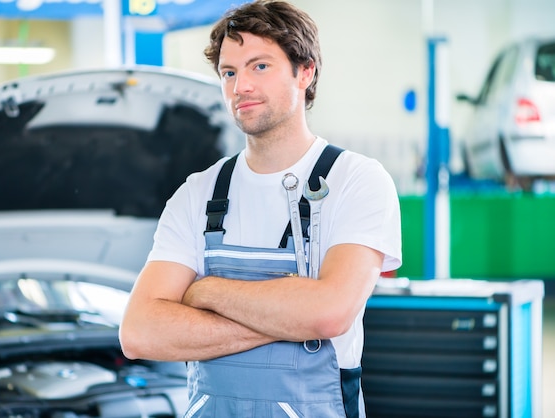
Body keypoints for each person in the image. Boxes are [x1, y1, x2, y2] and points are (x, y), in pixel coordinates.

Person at [119, 1, 402, 417]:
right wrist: (287, 317)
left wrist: (206, 292)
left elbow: (329, 314)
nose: (241, 87)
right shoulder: (198, 193)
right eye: (229, 73)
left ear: (305, 72)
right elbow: (140, 332)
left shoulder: (357, 180)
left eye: (260, 67)